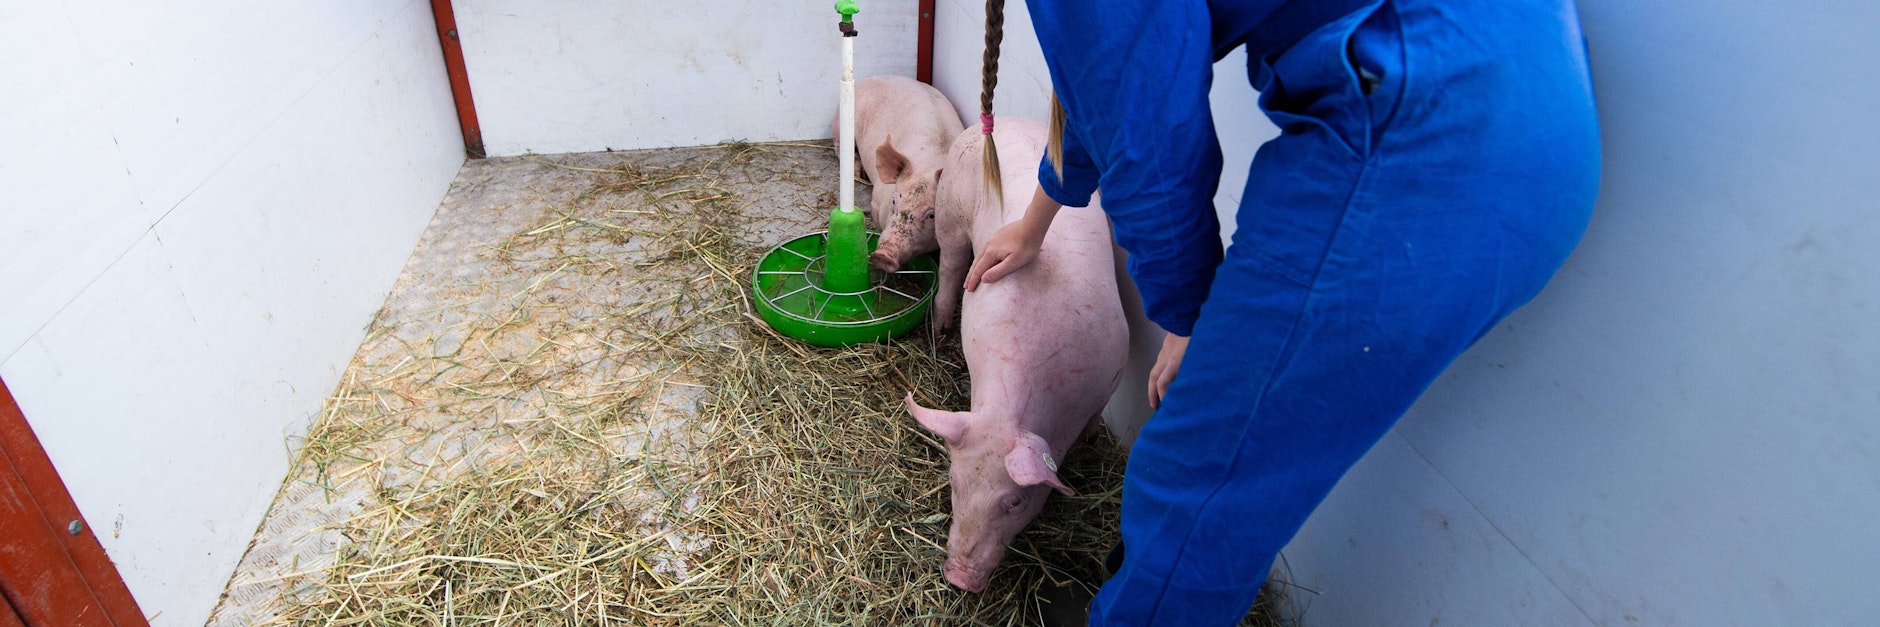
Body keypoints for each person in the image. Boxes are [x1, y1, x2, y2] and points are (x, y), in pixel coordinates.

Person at [961, 0, 1601, 624]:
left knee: (1195, 483)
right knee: (1217, 468)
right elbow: (1110, 82)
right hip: (1518, 109)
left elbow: (1144, 139)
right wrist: (1035, 221)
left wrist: (1189, 316)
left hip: (1423, 145)